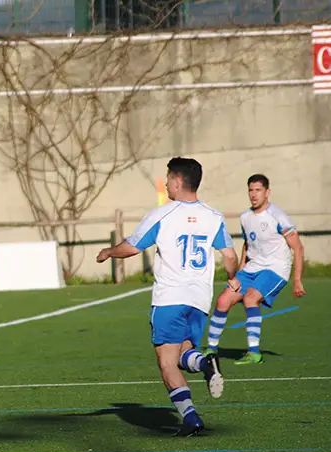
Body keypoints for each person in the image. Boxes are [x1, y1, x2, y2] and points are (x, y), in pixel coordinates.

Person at [97, 157, 239, 437]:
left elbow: (132, 247)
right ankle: (204, 363)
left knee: (166, 361)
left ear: (176, 181)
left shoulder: (163, 214)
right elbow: (230, 255)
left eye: (167, 178)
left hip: (169, 298)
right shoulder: (214, 216)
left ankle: (190, 418)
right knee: (185, 350)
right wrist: (231, 277)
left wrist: (108, 252)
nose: (165, 184)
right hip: (199, 300)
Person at [203, 174, 306, 365]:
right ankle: (211, 349)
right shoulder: (245, 217)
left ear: (267, 192)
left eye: (258, 190)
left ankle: (254, 352)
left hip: (275, 269)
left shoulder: (278, 216)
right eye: (250, 190)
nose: (253, 194)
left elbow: (298, 247)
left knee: (251, 298)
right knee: (223, 300)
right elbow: (247, 245)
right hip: (251, 268)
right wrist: (239, 273)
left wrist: (297, 279)